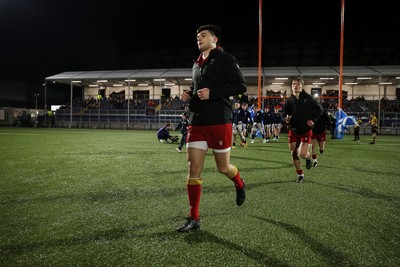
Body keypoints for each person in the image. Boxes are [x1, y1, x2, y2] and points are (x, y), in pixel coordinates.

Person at [176, 24, 247, 232]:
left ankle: (240, 183)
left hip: (219, 120)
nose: (199, 38)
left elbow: (240, 86)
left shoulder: (225, 59)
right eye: (197, 36)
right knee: (193, 169)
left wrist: (213, 93)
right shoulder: (196, 64)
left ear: (214, 40)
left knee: (223, 168)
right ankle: (194, 218)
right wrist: (189, 94)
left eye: (203, 35)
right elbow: (198, 88)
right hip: (197, 120)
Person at [283, 77, 323, 183]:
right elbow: (284, 114)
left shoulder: (308, 98)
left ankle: (308, 157)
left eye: (298, 84)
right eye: (294, 84)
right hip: (293, 130)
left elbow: (320, 109)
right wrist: (285, 119)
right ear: (291, 86)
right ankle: (300, 173)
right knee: (294, 153)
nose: (296, 85)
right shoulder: (288, 101)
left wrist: (313, 120)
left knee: (302, 154)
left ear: (302, 86)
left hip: (305, 130)